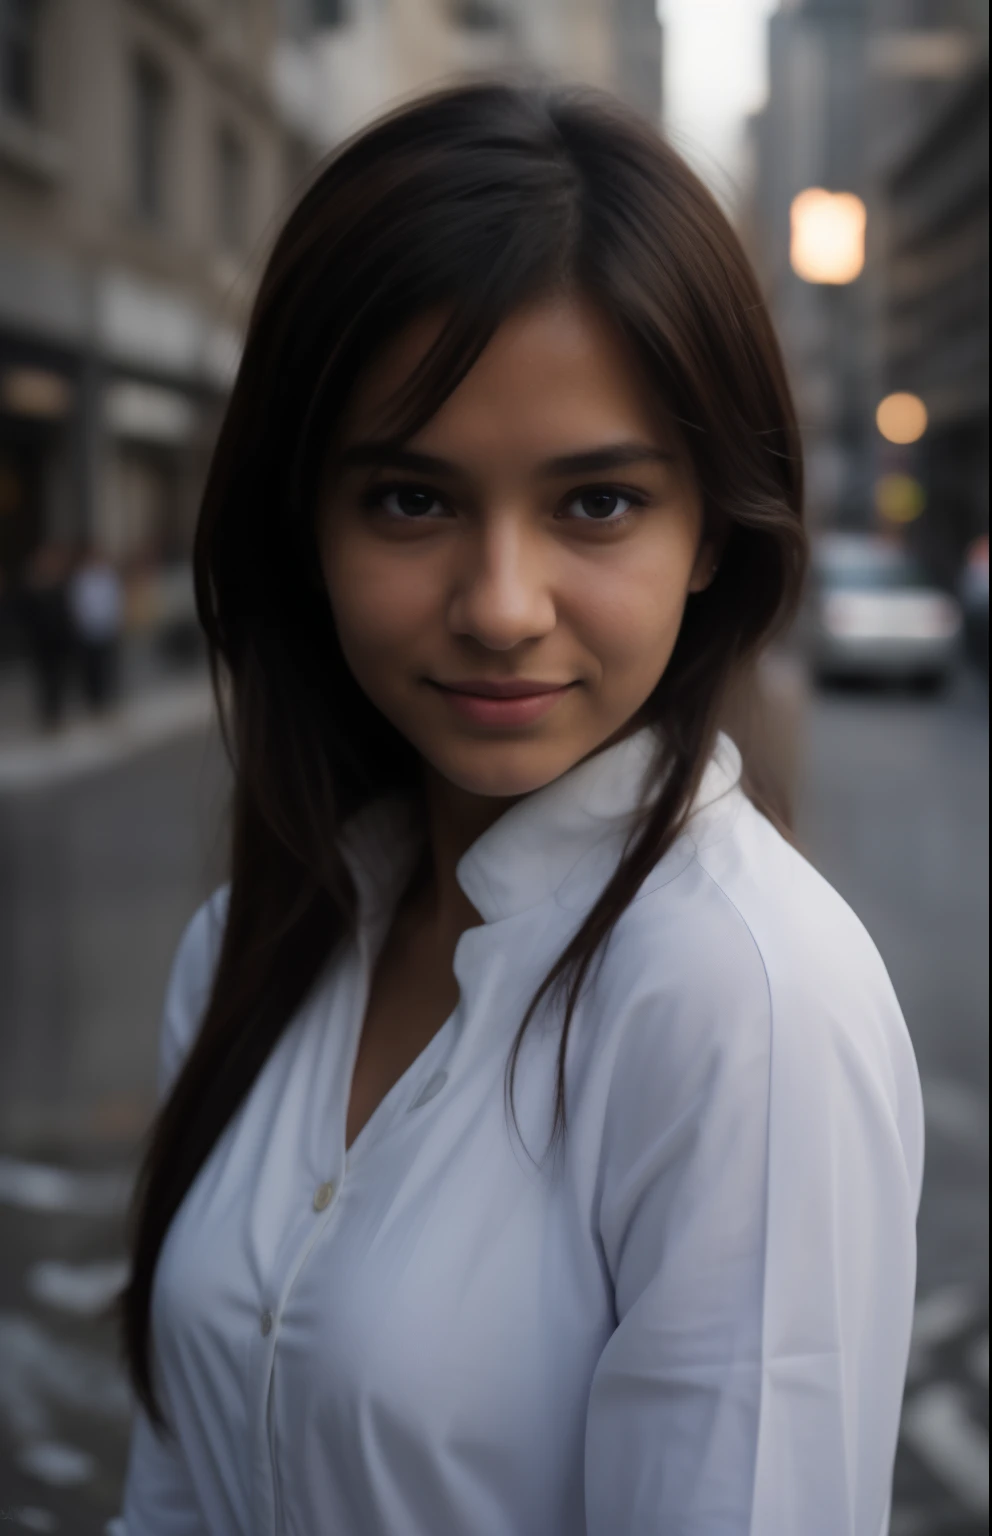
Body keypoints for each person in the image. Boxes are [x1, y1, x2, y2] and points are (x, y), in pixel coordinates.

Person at [113, 83, 923, 1535]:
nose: (500, 608)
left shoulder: (744, 1001)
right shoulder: (254, 944)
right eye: (411, 502)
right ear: (304, 527)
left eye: (596, 503)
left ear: (708, 535)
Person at [17, 541, 73, 730]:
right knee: (44, 679)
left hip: (59, 641)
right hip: (40, 642)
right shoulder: (32, 587)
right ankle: (48, 714)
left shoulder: (62, 585)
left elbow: (67, 613)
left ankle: (56, 713)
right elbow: (25, 614)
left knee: (58, 679)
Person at [67, 544, 124, 712]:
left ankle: (106, 699)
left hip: (106, 628)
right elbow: (77, 603)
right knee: (90, 668)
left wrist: (115, 621)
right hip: (88, 629)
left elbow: (116, 600)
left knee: (106, 666)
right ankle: (93, 700)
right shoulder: (81, 578)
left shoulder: (109, 576)